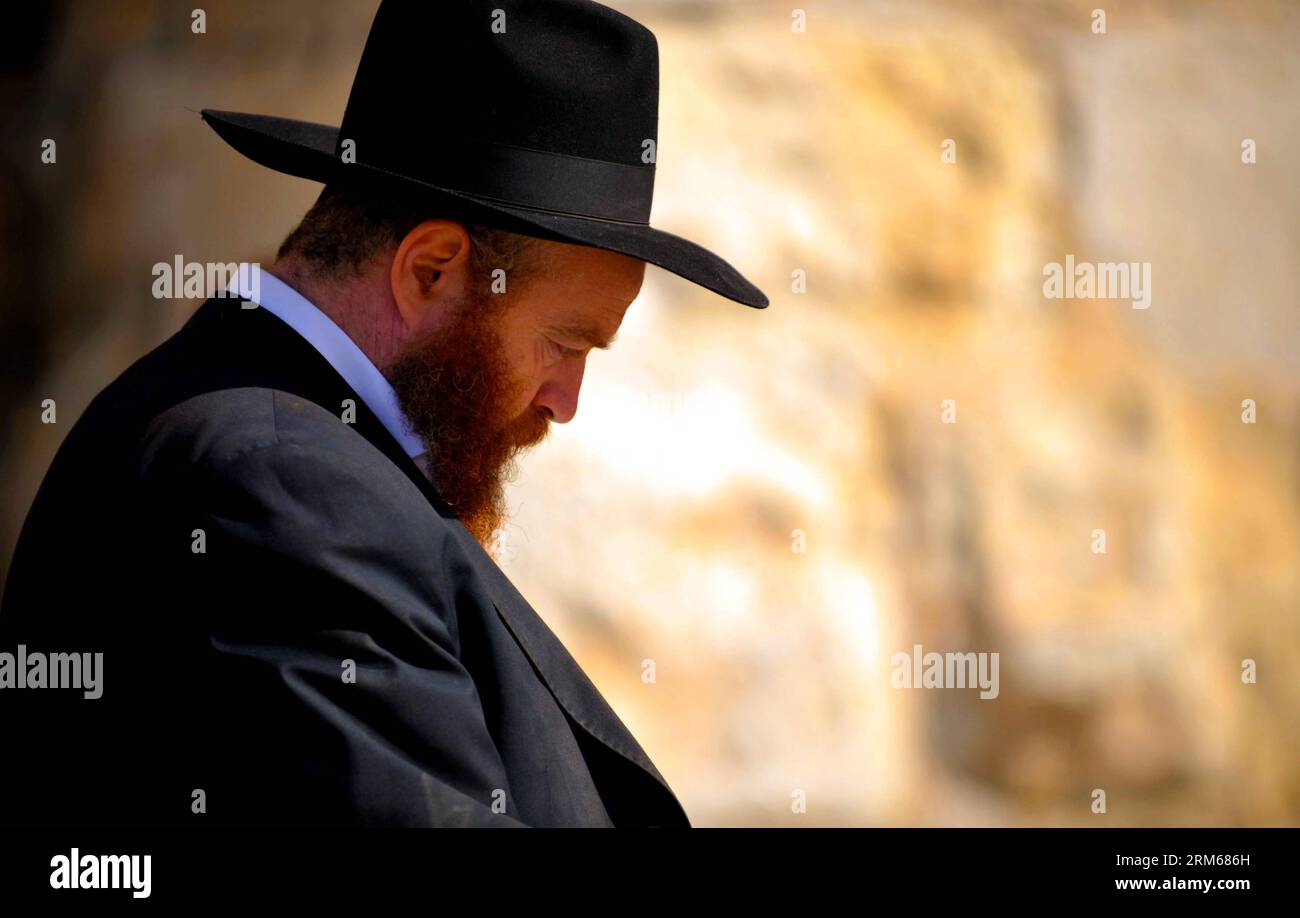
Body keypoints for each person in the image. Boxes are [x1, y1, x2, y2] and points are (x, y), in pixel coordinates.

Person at [0, 0, 766, 827]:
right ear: (431, 270)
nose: (565, 402)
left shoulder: (269, 440)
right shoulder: (282, 481)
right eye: (566, 343)